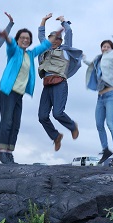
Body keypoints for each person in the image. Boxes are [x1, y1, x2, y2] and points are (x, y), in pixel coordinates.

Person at [0, 28, 62, 164]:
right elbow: (11, 44)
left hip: (19, 93)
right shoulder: (14, 52)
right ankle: (2, 151)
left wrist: (56, 35)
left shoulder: (30, 55)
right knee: (7, 121)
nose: (25, 40)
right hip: (8, 91)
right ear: (18, 39)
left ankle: (8, 152)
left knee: (16, 124)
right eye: (22, 38)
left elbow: (43, 46)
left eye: (27, 38)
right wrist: (7, 37)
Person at [37, 14, 83, 152]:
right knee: (42, 116)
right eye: (51, 39)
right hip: (47, 85)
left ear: (60, 40)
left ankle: (72, 126)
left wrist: (63, 22)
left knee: (57, 113)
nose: (53, 41)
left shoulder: (65, 50)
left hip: (59, 83)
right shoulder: (46, 50)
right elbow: (40, 36)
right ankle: (56, 136)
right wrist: (43, 20)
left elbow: (69, 32)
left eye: (56, 39)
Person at [83, 34, 113, 165]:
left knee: (110, 123)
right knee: (98, 124)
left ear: (112, 48)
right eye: (103, 46)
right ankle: (105, 150)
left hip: (110, 95)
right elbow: (91, 65)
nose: (105, 48)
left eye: (108, 46)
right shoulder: (99, 59)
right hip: (100, 97)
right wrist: (83, 58)